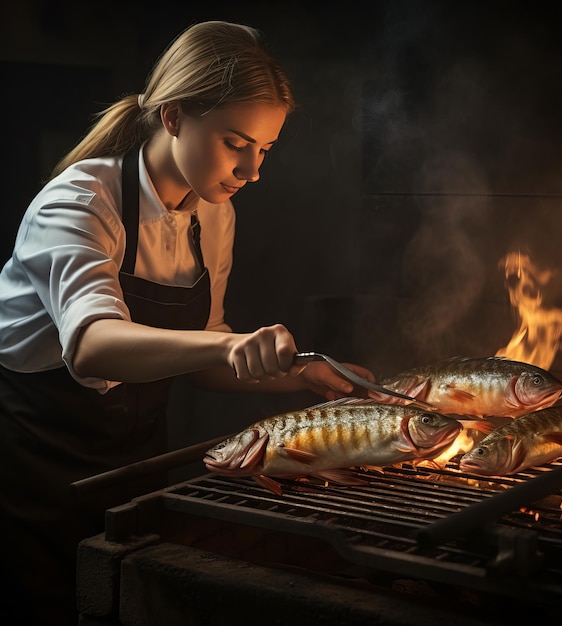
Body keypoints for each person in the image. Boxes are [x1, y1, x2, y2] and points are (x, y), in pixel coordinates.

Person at [0, 20, 375, 625]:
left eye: (265, 149)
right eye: (236, 142)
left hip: (133, 466)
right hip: (33, 470)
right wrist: (222, 350)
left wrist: (300, 376)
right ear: (173, 116)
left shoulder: (212, 212)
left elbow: (210, 355)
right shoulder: (78, 202)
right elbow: (92, 345)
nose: (252, 171)